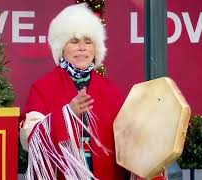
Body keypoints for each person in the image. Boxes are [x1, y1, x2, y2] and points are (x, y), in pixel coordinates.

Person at [20, 3, 128, 180]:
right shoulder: (43, 87)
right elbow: (29, 138)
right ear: (61, 48)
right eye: (74, 41)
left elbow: (129, 139)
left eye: (88, 41)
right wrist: (67, 115)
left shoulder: (110, 90)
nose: (82, 48)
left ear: (96, 48)